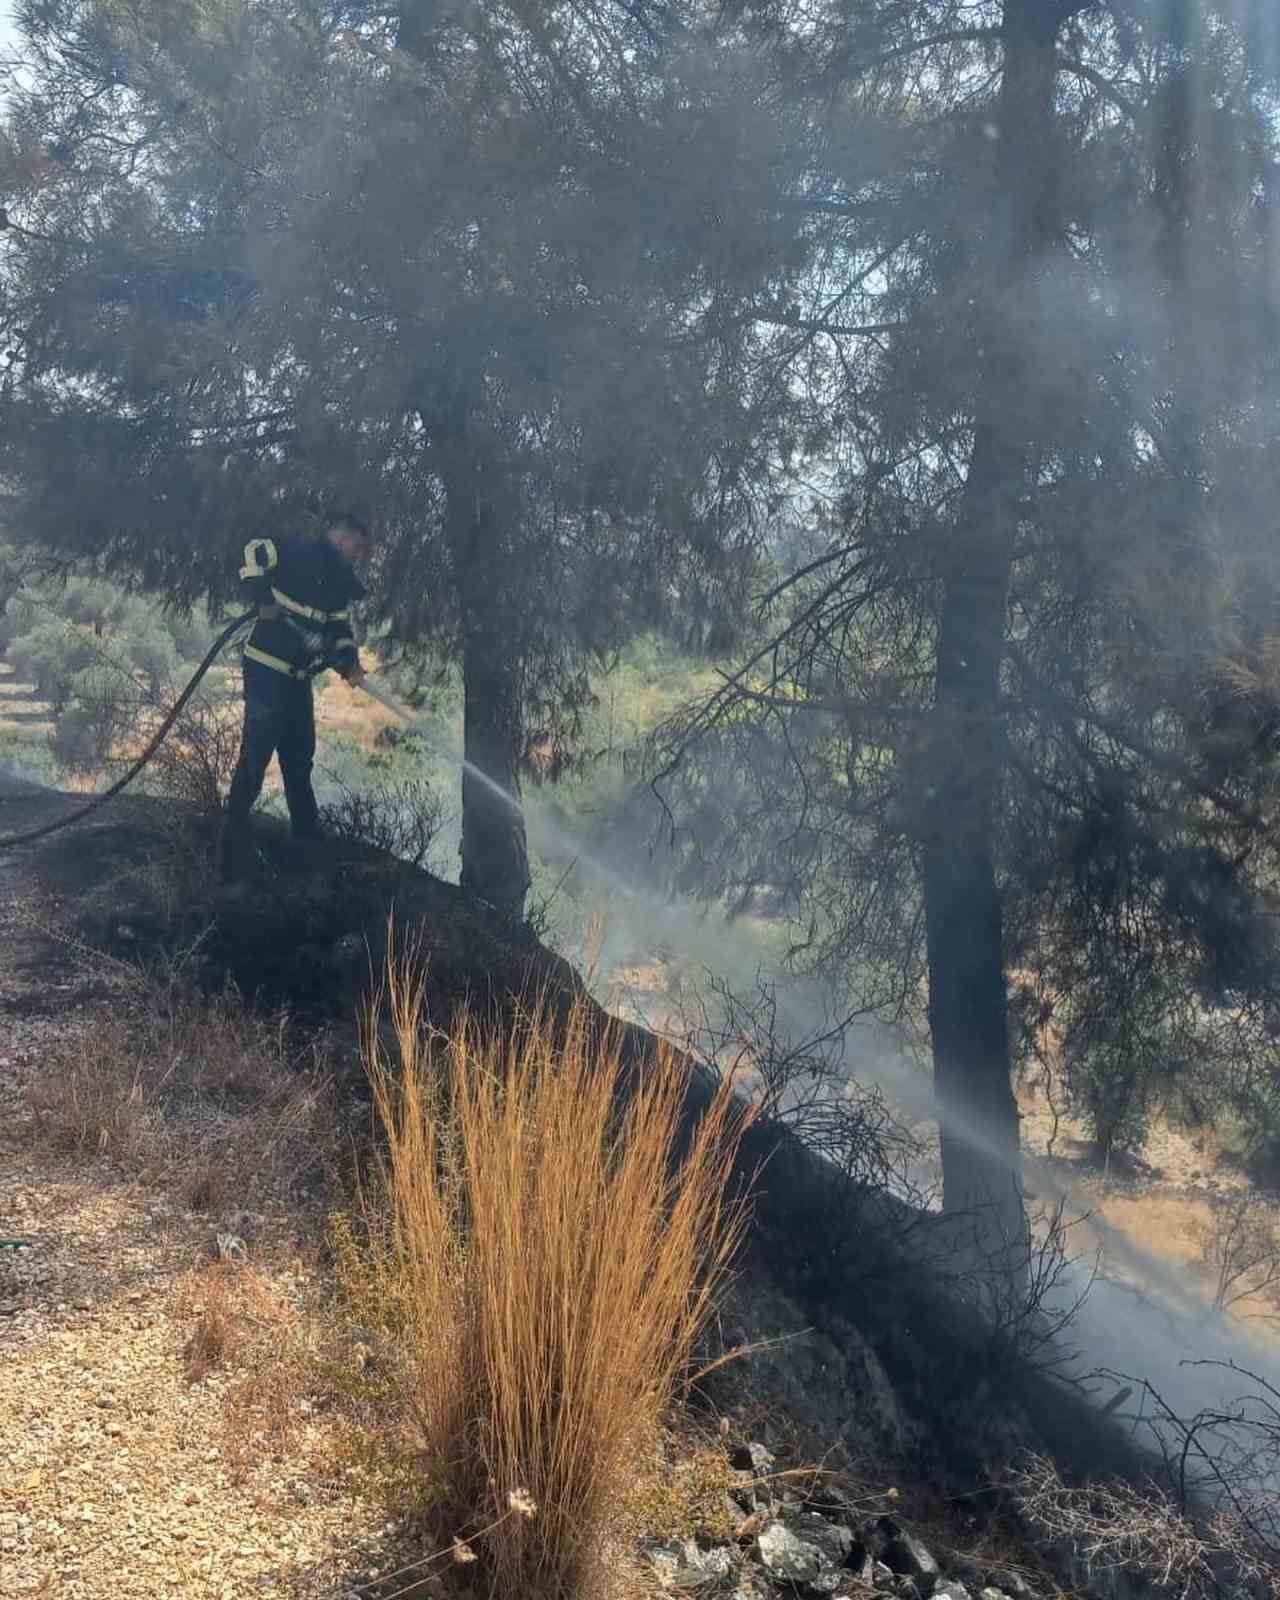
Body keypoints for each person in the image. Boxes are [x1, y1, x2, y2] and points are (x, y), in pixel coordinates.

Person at [224, 513, 370, 854]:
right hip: (267, 666)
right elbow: (253, 551)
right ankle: (234, 829)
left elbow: (338, 629)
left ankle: (305, 831)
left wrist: (349, 661)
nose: (358, 555)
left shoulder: (338, 583)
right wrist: (264, 599)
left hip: (298, 676)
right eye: (357, 547)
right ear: (342, 538)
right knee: (258, 748)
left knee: (299, 752)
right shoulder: (298, 550)